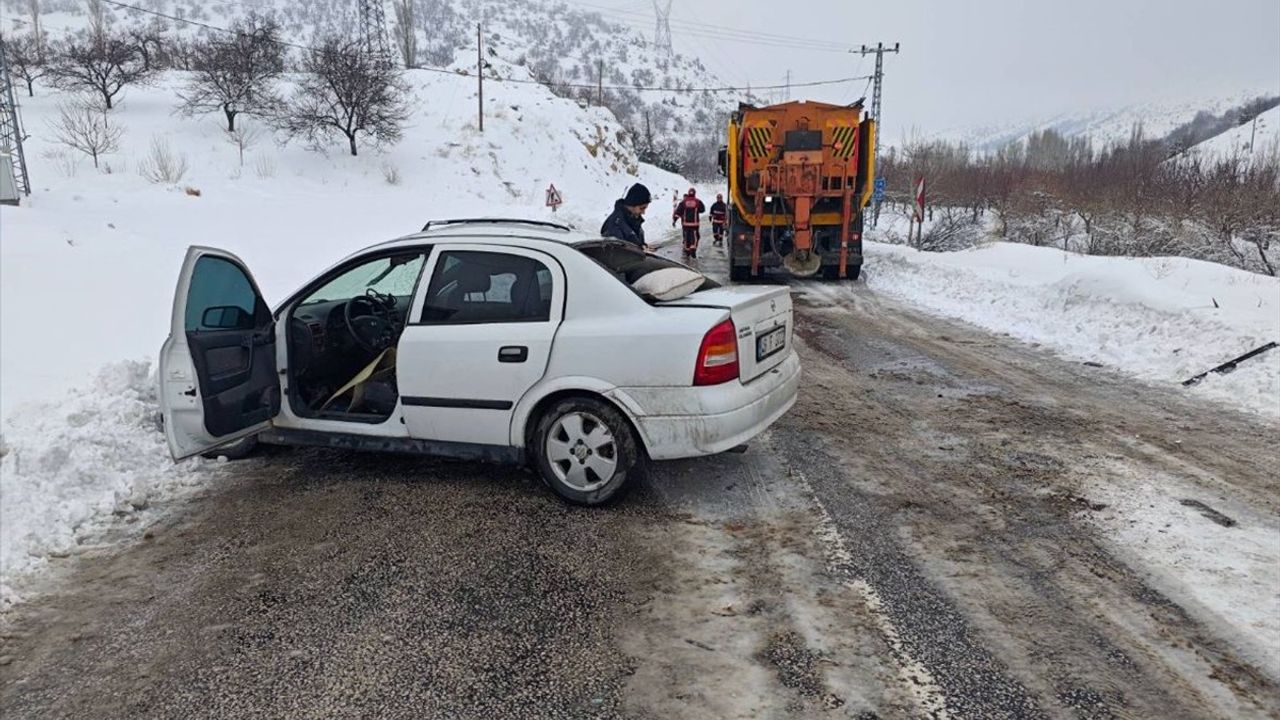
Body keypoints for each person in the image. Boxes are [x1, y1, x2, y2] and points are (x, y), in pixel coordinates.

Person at [600, 183, 651, 249]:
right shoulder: (614, 227)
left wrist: (643, 246)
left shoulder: (633, 220)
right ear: (633, 204)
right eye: (642, 208)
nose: (644, 212)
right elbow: (618, 255)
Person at [675, 188, 706, 257]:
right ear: (694, 193)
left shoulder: (684, 202)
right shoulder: (697, 201)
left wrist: (675, 219)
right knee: (695, 236)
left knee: (687, 237)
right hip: (695, 224)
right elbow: (702, 210)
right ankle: (693, 248)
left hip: (685, 224)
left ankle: (687, 250)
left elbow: (678, 211)